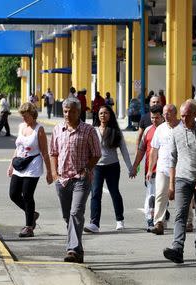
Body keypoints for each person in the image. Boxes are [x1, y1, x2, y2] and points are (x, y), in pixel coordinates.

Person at [163, 99, 196, 264]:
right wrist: (171, 185)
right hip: (182, 179)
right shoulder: (176, 131)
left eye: (187, 116)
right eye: (182, 116)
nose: (184, 119)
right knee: (180, 214)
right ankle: (177, 249)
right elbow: (172, 159)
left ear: (195, 114)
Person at [49, 97, 101, 263]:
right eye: (65, 111)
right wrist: (54, 174)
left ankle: (72, 250)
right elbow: (53, 153)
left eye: (71, 111)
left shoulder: (88, 130)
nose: (68, 114)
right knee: (67, 216)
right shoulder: (57, 129)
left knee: (75, 212)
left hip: (81, 178)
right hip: (62, 179)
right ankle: (78, 249)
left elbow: (96, 153)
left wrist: (87, 169)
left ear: (79, 112)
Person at [83, 105, 134, 233]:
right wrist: (86, 167)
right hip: (97, 167)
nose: (103, 115)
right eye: (100, 113)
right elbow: (87, 150)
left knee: (114, 192)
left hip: (112, 166)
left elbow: (124, 150)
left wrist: (130, 167)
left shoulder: (116, 131)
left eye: (105, 113)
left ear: (110, 115)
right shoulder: (93, 130)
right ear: (97, 116)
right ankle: (94, 223)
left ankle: (119, 220)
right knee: (95, 194)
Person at [147, 104, 194, 235]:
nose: (166, 116)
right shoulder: (160, 129)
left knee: (185, 196)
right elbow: (154, 150)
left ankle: (188, 221)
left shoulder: (183, 127)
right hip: (163, 168)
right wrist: (150, 169)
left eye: (168, 113)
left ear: (175, 114)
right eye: (164, 114)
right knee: (160, 194)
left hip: (182, 169)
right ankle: (159, 223)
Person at [7, 103, 53, 238]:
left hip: (33, 165)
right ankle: (32, 214)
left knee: (27, 195)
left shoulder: (39, 129)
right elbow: (18, 148)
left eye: (26, 116)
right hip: (19, 163)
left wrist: (50, 172)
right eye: (22, 116)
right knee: (14, 194)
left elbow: (45, 152)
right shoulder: (21, 126)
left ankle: (29, 227)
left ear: (33, 115)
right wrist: (11, 165)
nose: (24, 119)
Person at [131, 104, 164, 231]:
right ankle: (150, 219)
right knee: (151, 196)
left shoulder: (168, 130)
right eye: (152, 118)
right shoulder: (147, 130)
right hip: (152, 171)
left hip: (166, 170)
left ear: (162, 117)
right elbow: (141, 150)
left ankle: (161, 216)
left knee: (162, 196)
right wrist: (135, 166)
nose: (154, 120)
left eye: (156, 118)